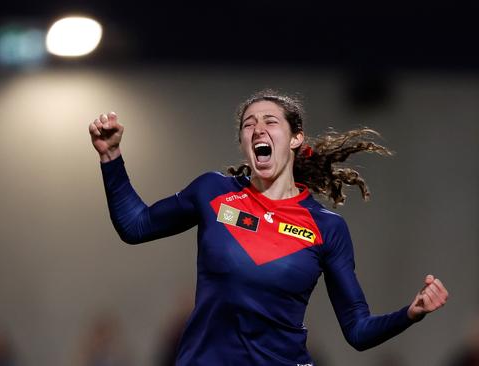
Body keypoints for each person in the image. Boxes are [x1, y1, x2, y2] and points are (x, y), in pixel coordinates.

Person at [89, 90, 449, 365]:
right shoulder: (214, 193)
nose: (258, 127)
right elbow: (135, 226)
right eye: (249, 124)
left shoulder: (326, 228)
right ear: (245, 144)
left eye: (270, 121)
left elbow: (357, 330)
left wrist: (410, 313)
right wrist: (110, 156)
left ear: (295, 139)